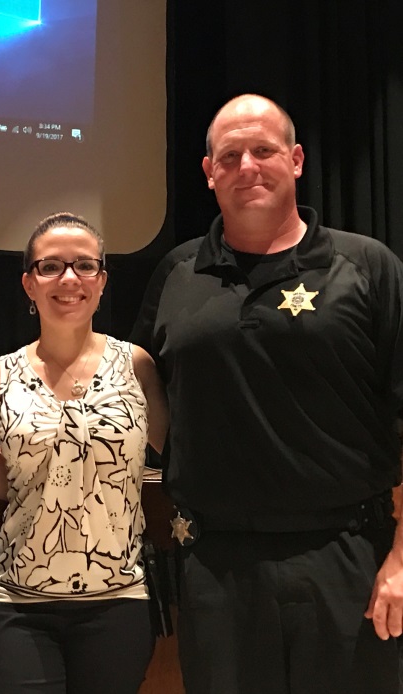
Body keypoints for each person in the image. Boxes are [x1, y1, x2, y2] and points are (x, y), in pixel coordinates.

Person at [131, 93, 403, 693]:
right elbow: (132, 392)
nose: (247, 166)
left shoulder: (368, 265)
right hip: (214, 567)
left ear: (298, 159)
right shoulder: (176, 274)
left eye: (263, 150)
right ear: (208, 173)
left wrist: (402, 561)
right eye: (230, 156)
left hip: (350, 559)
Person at [0, 212, 168, 694]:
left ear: (102, 281)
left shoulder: (138, 367)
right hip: (20, 606)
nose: (69, 278)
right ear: (29, 284)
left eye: (84, 265)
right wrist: (8, 480)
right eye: (50, 266)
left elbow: (181, 453)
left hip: (119, 602)